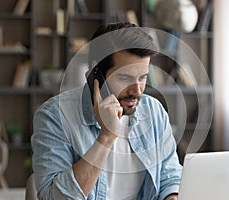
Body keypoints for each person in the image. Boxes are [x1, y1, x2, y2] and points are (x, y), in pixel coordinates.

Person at [31, 22, 182, 200]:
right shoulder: (54, 116)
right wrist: (106, 137)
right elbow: (52, 198)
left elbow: (170, 176)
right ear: (97, 73)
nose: (138, 90)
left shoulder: (153, 111)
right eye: (125, 78)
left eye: (143, 77)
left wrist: (172, 196)